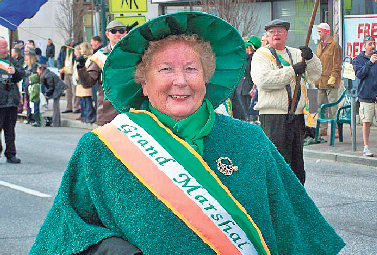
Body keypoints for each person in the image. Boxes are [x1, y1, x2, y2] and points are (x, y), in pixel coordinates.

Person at [30, 12, 345, 254]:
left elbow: (299, 233)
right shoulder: (100, 149)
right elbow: (63, 233)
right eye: (165, 69)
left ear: (206, 77)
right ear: (143, 81)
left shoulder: (250, 142)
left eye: (192, 69)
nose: (180, 81)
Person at [250, 19, 322, 185]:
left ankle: (297, 204)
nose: (277, 34)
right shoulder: (261, 56)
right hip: (273, 117)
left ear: (286, 35)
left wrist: (310, 59)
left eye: (280, 31)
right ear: (267, 36)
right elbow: (263, 80)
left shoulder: (296, 53)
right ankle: (277, 204)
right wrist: (291, 71)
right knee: (278, 164)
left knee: (297, 167)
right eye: (273, 31)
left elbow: (315, 75)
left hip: (296, 117)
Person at [76, 20, 127, 126]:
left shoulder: (135, 53)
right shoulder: (100, 56)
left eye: (121, 31)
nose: (118, 34)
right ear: (107, 34)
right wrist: (81, 67)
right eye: (114, 31)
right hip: (107, 113)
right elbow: (88, 83)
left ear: (126, 33)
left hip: (131, 111)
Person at [315, 23, 342, 137]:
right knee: (321, 105)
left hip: (330, 81)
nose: (318, 34)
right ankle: (322, 129)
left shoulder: (334, 45)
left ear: (326, 32)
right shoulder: (320, 45)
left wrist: (334, 76)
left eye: (320, 31)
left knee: (333, 107)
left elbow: (337, 63)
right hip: (320, 80)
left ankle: (336, 129)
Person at [0, 37, 24, 163]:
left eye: (6, 47)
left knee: (10, 130)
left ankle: (11, 153)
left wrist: (15, 72)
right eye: (4, 47)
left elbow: (22, 73)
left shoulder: (11, 61)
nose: (6, 50)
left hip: (11, 101)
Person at [352, 35, 377, 157]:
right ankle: (366, 147)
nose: (373, 46)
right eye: (370, 44)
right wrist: (370, 62)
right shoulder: (358, 60)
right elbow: (360, 74)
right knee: (366, 121)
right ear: (364, 46)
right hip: (366, 95)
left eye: (374, 43)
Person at [232, 35, 261, 121]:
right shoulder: (244, 58)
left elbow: (250, 73)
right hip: (241, 89)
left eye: (247, 47)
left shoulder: (255, 58)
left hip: (249, 89)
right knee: (244, 114)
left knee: (251, 114)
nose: (245, 49)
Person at [73, 42, 96, 123]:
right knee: (83, 100)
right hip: (81, 80)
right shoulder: (83, 58)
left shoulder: (89, 58)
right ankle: (85, 115)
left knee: (87, 100)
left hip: (86, 80)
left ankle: (89, 116)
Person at [59, 39, 79, 114]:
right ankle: (68, 107)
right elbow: (59, 59)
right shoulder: (63, 50)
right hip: (66, 72)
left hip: (73, 73)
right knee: (68, 91)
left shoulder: (76, 49)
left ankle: (75, 107)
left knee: (74, 91)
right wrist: (60, 68)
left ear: (72, 43)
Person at [22, 47, 39, 125]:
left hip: (32, 85)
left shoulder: (35, 65)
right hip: (26, 84)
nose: (25, 57)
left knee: (33, 102)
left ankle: (34, 118)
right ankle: (29, 118)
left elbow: (34, 74)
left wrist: (26, 73)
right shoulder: (26, 65)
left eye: (27, 55)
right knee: (27, 101)